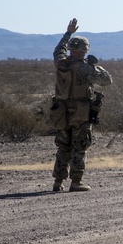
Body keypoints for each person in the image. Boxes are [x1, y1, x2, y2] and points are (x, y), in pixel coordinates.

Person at [50, 18, 112, 192]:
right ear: (84, 51)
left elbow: (58, 50)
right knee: (79, 148)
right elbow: (107, 80)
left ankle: (58, 182)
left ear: (71, 49)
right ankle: (76, 182)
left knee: (63, 146)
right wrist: (95, 66)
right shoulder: (84, 69)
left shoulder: (61, 63)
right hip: (80, 112)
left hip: (60, 110)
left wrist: (68, 33)